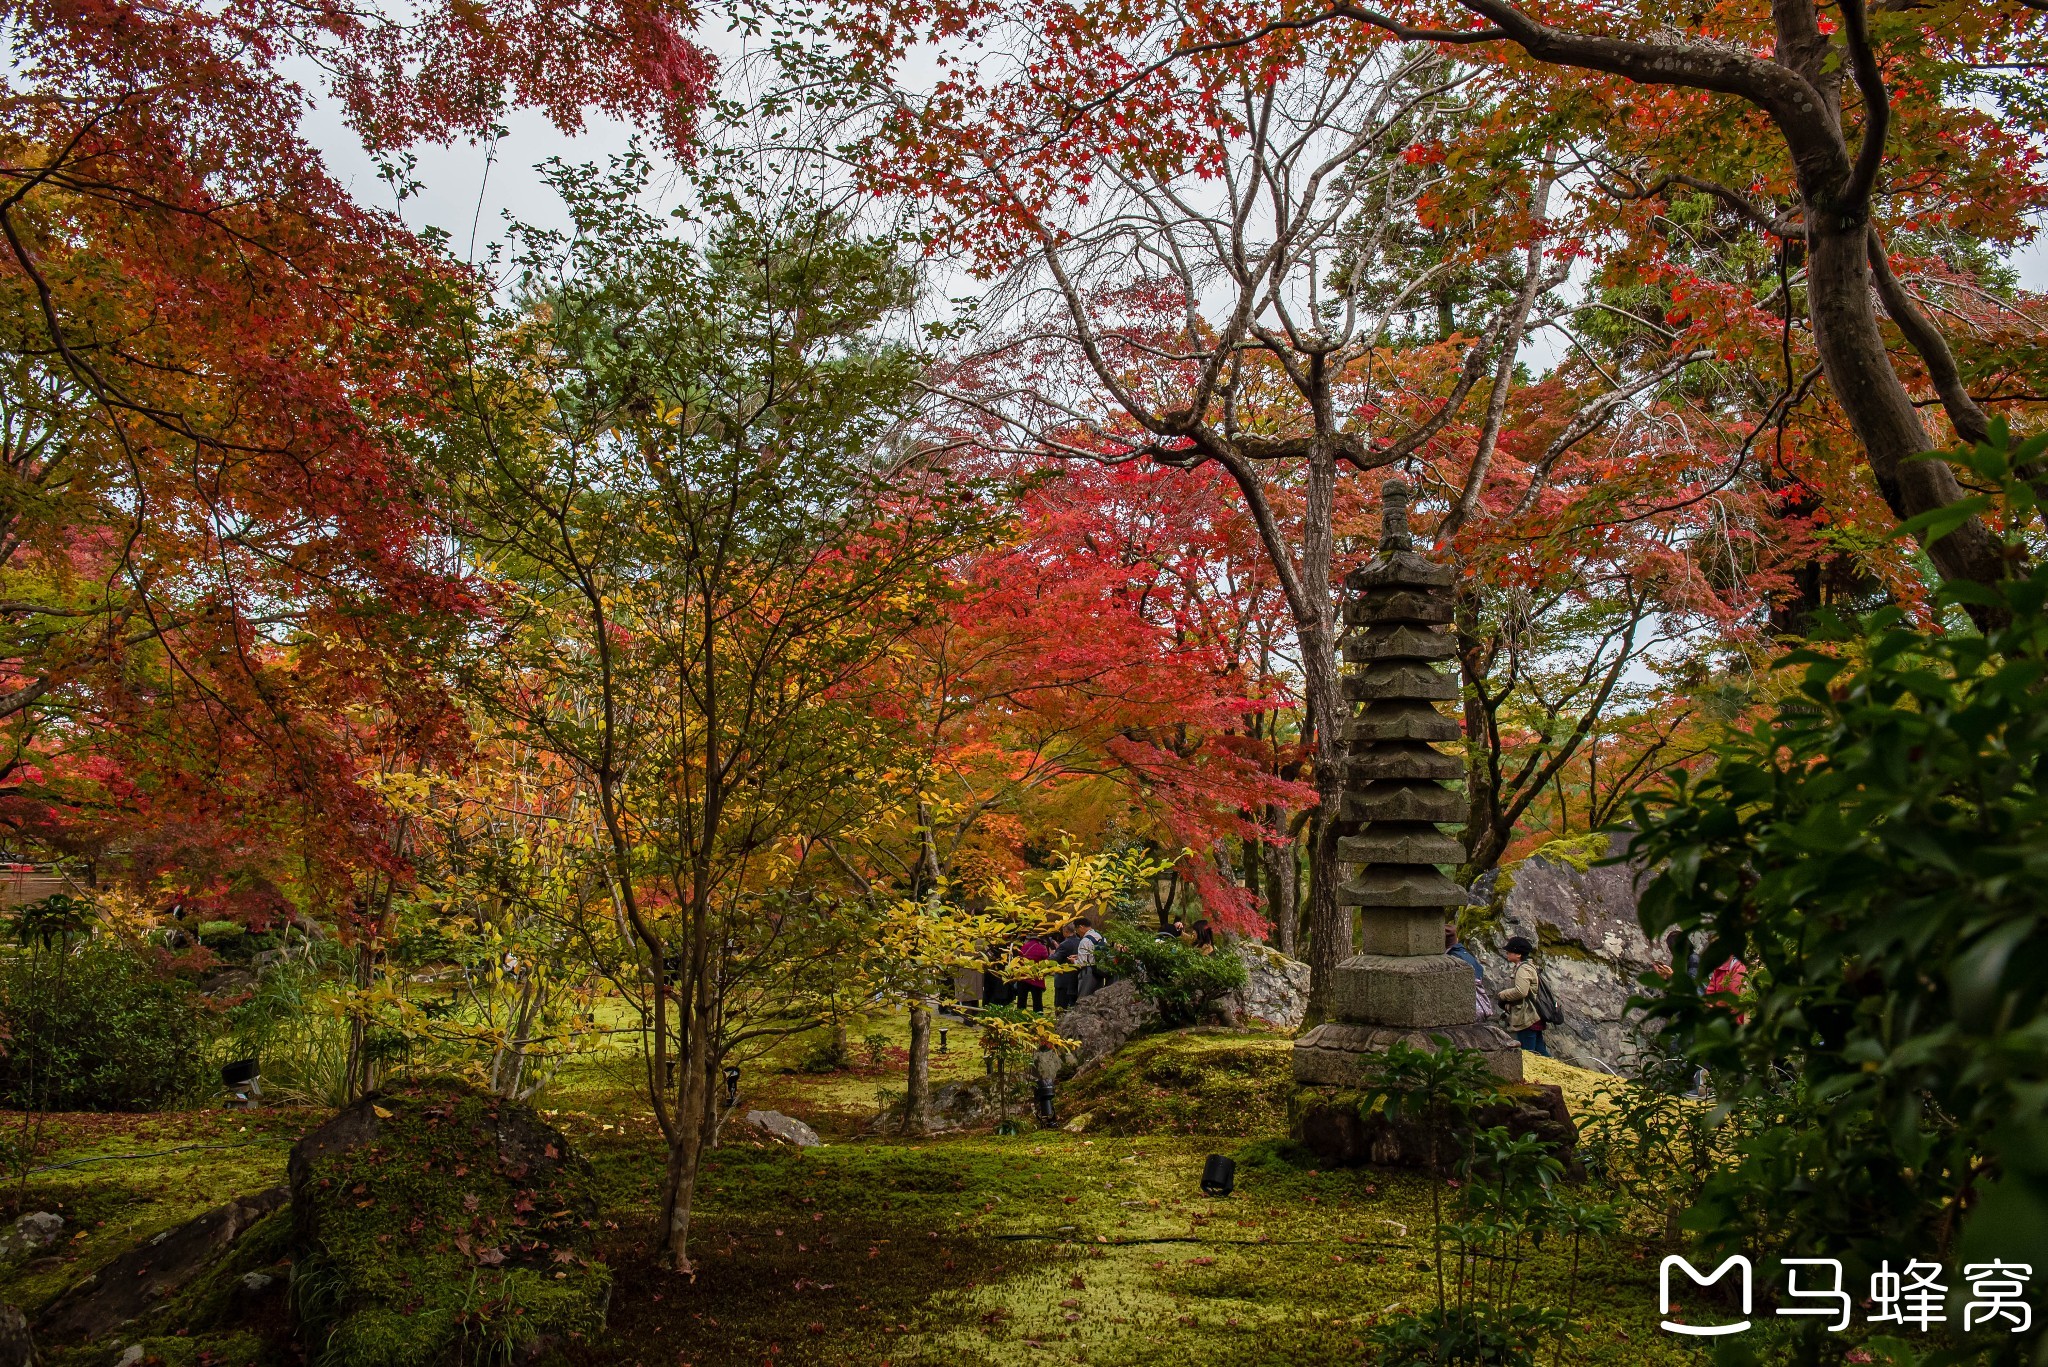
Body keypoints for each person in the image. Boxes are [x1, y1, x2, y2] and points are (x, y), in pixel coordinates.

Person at [1497, 936, 1550, 1056]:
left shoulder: (1523, 969)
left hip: (1527, 1018)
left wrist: (1503, 995)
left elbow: (1521, 991)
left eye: (1510, 951)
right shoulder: (1528, 967)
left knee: (1528, 1054)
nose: (1507, 953)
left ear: (1518, 954)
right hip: (1534, 1016)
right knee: (1540, 1051)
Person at [1445, 926, 1496, 1020]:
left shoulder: (1452, 958)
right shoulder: (1464, 954)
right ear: (1457, 939)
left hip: (1469, 1006)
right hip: (1479, 1005)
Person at [1073, 917, 1107, 999]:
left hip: (1088, 973)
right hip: (1099, 971)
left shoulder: (1085, 941)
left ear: (1081, 927)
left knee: (1083, 998)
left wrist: (1074, 961)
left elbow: (1081, 963)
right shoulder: (1101, 937)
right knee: (1097, 998)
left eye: (1076, 930)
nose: (1077, 932)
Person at [1052, 922, 1083, 1009]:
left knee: (1061, 1007)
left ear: (1065, 931)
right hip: (1077, 979)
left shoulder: (1064, 944)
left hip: (1063, 979)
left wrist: (1052, 954)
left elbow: (1055, 959)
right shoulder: (1080, 941)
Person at [1016, 933, 1050, 1012]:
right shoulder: (1042, 948)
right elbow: (1046, 962)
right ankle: (1038, 1017)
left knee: (1021, 1001)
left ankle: (1020, 1017)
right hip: (1036, 977)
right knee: (1037, 1001)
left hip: (1023, 976)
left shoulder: (1023, 947)